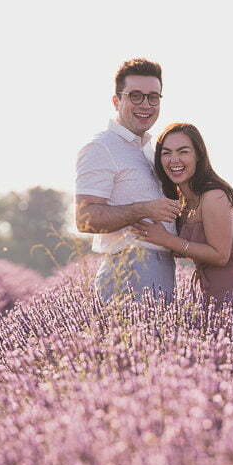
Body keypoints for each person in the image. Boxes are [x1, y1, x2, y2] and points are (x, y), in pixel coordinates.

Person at [132, 123, 233, 342]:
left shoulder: (213, 196)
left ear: (199, 156)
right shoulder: (185, 200)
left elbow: (220, 255)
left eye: (183, 152)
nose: (174, 160)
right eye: (166, 153)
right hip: (217, 289)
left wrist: (166, 239)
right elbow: (193, 245)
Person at [74, 58, 181, 303]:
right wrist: (144, 209)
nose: (145, 104)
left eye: (153, 97)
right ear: (116, 101)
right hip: (131, 269)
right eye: (135, 96)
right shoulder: (101, 147)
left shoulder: (150, 149)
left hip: (160, 266)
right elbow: (85, 219)